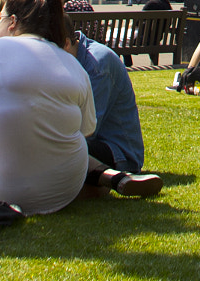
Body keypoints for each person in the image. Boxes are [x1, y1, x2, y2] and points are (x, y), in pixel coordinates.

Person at [0, 0, 94, 215]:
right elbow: (86, 130)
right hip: (62, 191)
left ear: (12, 22)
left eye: (0, 17)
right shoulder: (73, 65)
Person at [65, 25, 161, 196]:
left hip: (119, 153)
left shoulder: (97, 64)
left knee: (59, 150)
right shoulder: (74, 59)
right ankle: (112, 182)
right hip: (90, 145)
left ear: (65, 43)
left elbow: (87, 129)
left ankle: (105, 183)